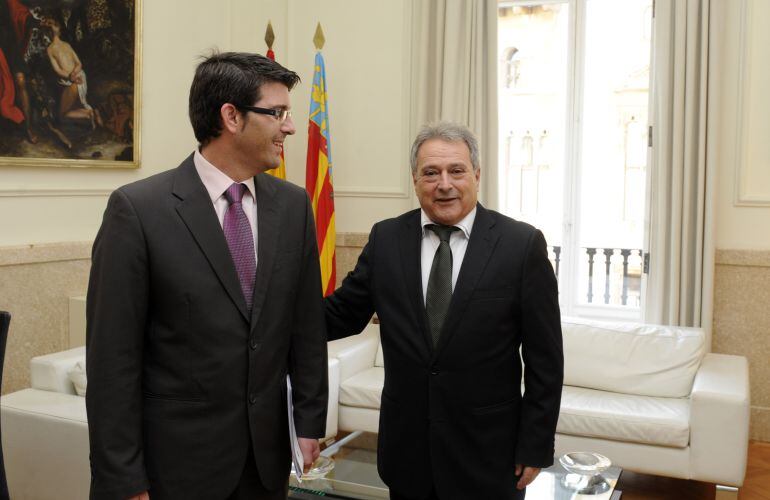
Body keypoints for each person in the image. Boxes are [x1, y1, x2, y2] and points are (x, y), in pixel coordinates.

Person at [86, 52, 328, 500]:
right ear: (231, 117)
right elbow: (112, 361)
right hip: (175, 469)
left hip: (265, 464)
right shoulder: (138, 210)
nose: (290, 127)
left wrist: (309, 421)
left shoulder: (294, 207)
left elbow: (306, 328)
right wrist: (122, 478)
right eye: (277, 113)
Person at [325, 122, 563, 499]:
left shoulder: (521, 245)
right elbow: (340, 314)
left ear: (477, 175)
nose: (444, 184)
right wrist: (268, 314)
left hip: (489, 454)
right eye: (431, 173)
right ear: (415, 180)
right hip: (407, 453)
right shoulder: (386, 239)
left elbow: (545, 360)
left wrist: (535, 443)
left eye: (456, 171)